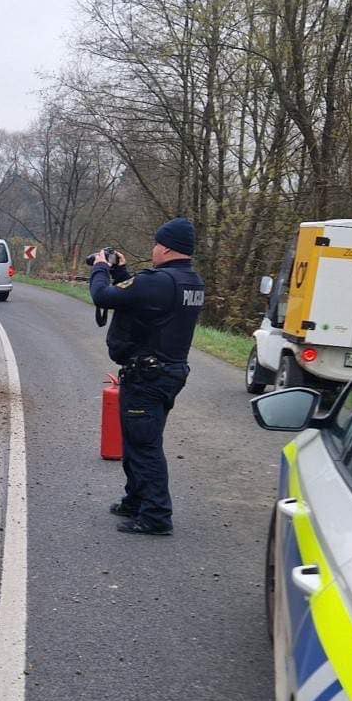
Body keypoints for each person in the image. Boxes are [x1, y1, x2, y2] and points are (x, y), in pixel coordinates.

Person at [88, 217, 207, 536]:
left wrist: (100, 268)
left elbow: (103, 296)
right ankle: (136, 499)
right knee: (136, 437)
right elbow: (146, 305)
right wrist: (123, 274)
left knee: (144, 443)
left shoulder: (159, 281)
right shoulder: (190, 281)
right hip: (166, 372)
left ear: (166, 248)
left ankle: (156, 515)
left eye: (156, 244)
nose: (153, 249)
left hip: (149, 376)